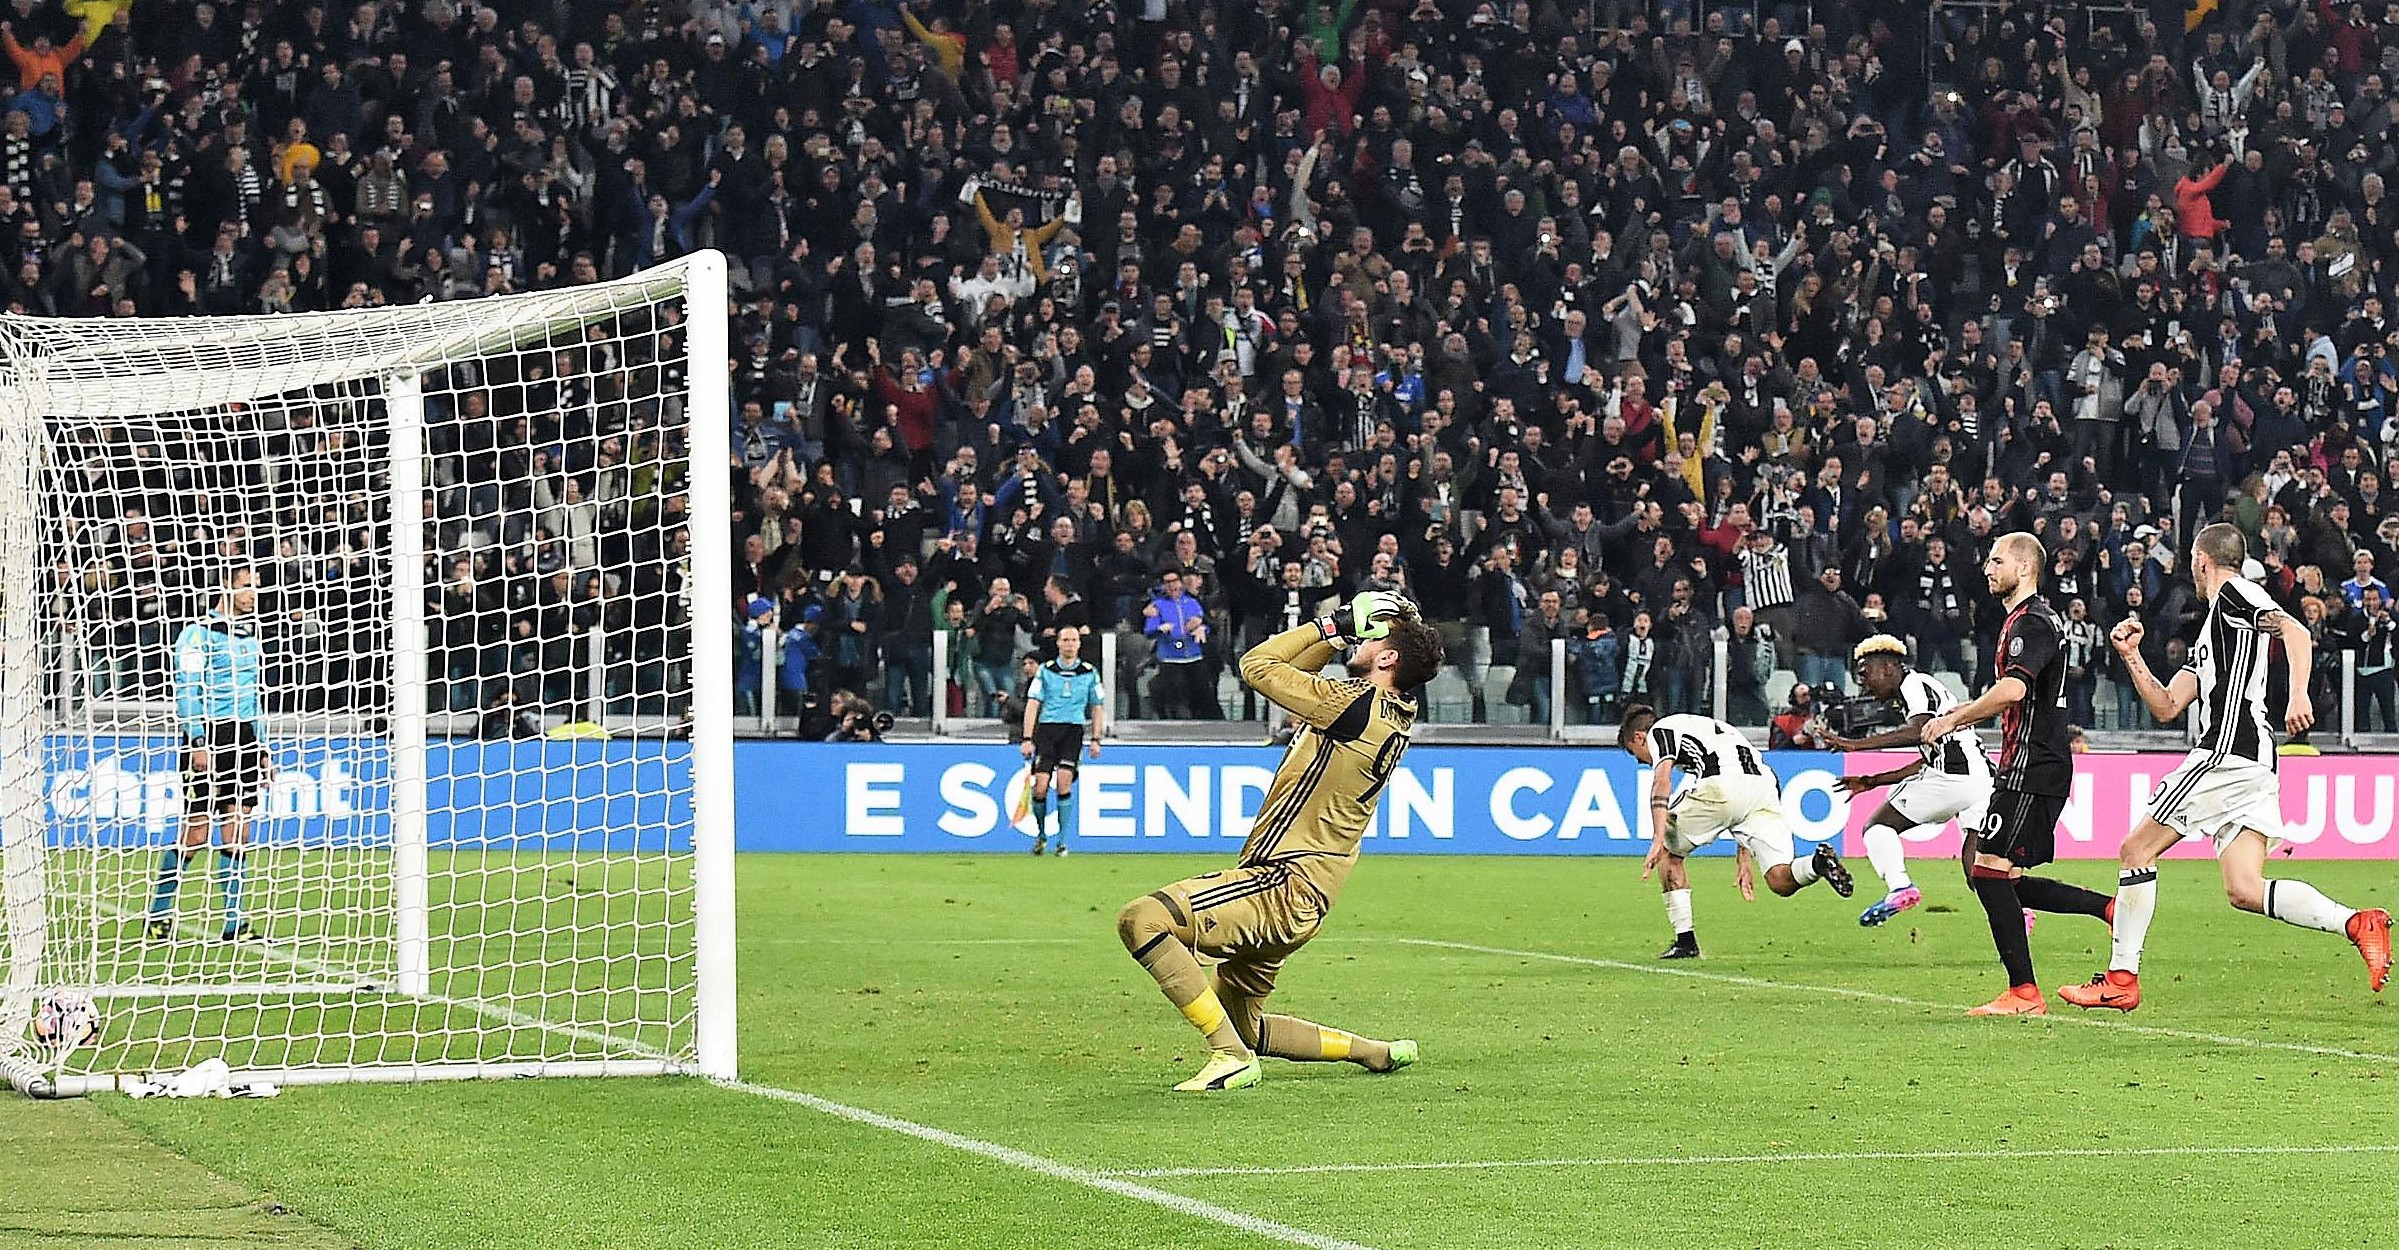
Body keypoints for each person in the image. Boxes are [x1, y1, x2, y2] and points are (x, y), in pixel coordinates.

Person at [1113, 591, 1442, 1091]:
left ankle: (1230, 1057)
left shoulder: (1356, 704)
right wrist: (1340, 638)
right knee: (1244, 1022)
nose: (1364, 638)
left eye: (1376, 637)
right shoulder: (1385, 711)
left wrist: (1332, 625)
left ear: (1388, 657)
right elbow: (1291, 677)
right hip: (1305, 899)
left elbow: (1258, 666)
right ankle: (1374, 1052)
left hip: (1280, 882)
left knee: (1144, 920)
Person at [2059, 525, 2392, 1011]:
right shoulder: (2214, 630)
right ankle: (2357, 923)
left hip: (2226, 751)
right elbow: (2167, 705)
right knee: (2244, 889)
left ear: (2202, 560)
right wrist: (2131, 657)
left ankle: (2121, 978)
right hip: (2252, 761)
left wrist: (2299, 695)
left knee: (2136, 849)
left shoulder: (2237, 593)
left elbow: (2296, 631)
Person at [1921, 534, 2119, 1017]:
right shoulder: (2026, 619)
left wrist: (1953, 718)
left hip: (2034, 765)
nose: (1988, 568)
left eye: (1997, 560)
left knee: (1987, 872)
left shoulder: (2031, 621)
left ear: (2025, 567)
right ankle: (2109, 909)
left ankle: (2024, 993)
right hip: (2026, 764)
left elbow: (2013, 690)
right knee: (2000, 876)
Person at [1622, 704, 1854, 961]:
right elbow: (1743, 788)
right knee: (1780, 880)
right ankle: (1817, 864)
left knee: (1668, 852)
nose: (1642, 761)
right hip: (1763, 787)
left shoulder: (1660, 730)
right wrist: (1744, 853)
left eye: (1636, 754)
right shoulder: (1714, 728)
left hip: (1723, 785)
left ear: (1639, 737)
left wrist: (1658, 838)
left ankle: (1685, 942)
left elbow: (1662, 781)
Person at [1826, 635, 1994, 928]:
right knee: (1976, 870)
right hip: (1982, 780)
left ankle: (1900, 887)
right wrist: (1873, 780)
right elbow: (1926, 759)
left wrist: (1856, 745)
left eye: (1865, 673)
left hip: (1955, 776)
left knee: (1877, 827)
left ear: (1888, 667)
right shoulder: (1920, 693)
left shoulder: (1914, 685)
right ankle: (2015, 915)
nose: (1863, 683)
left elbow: (1919, 732)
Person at [150, 568, 269, 943]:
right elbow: (186, 689)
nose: (253, 595)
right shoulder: (197, 634)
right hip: (209, 735)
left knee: (238, 831)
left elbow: (254, 697)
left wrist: (263, 748)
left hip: (244, 738)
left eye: (256, 588)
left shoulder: (250, 638)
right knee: (197, 831)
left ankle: (235, 924)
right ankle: (159, 914)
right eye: (246, 587)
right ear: (225, 587)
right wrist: (198, 740)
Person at [1020, 626, 1105, 857]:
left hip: (1072, 731)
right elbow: (1033, 704)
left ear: (1079, 644)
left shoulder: (1089, 672)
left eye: (1073, 640)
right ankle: (1041, 835)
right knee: (1040, 786)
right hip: (1047, 730)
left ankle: (1062, 841)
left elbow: (1097, 706)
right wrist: (1027, 738)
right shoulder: (1046, 670)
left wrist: (1096, 738)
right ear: (1058, 643)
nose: (1069, 644)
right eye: (1065, 640)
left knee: (1064, 782)